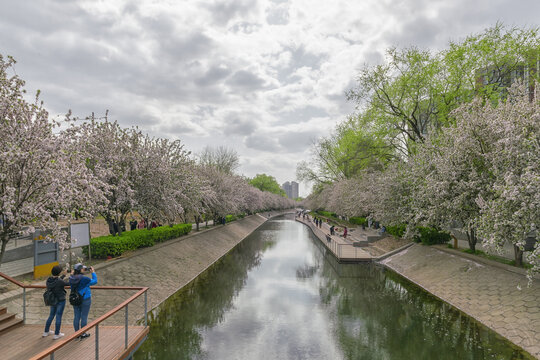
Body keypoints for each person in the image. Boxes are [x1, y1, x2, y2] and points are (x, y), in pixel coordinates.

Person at [69, 263, 97, 339]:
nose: (84, 270)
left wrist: (72, 274)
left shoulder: (71, 278)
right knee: (84, 316)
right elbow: (95, 281)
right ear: (80, 269)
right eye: (83, 269)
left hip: (75, 299)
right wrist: (93, 272)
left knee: (76, 316)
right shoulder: (85, 279)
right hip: (85, 299)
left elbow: (71, 279)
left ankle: (76, 334)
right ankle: (83, 333)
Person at [43, 265, 69, 339]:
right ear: (59, 272)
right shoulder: (59, 281)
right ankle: (57, 334)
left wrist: (63, 275)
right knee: (58, 316)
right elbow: (68, 283)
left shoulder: (49, 280)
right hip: (60, 300)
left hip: (52, 300)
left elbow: (57, 281)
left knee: (51, 315)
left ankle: (46, 331)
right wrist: (73, 276)